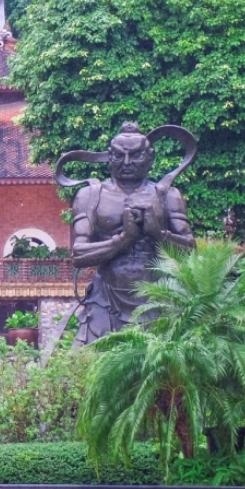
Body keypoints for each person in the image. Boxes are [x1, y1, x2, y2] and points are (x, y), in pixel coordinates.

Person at [64, 122, 195, 344]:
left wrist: (158, 233)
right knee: (86, 366)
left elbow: (190, 251)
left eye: (135, 156)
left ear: (150, 158)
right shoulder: (90, 196)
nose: (126, 163)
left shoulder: (168, 195)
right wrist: (123, 239)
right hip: (105, 299)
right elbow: (78, 255)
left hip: (157, 298)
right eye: (119, 156)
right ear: (109, 157)